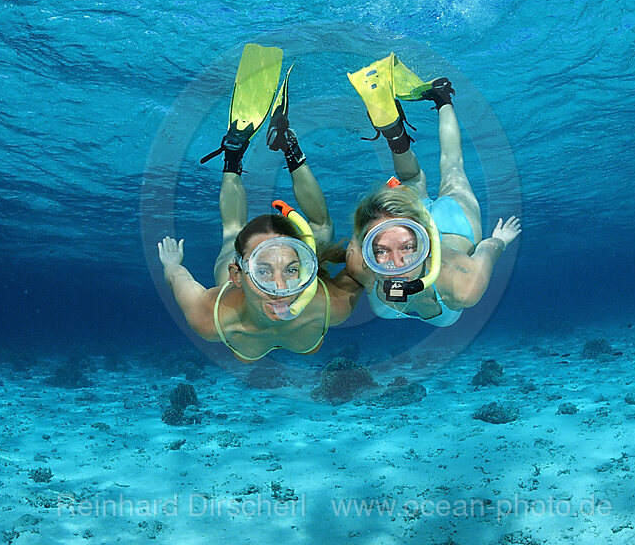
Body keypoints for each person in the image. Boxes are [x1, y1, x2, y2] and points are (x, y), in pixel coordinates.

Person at [158, 44, 360, 362]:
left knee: (234, 230)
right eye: (263, 271)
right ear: (238, 275)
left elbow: (374, 267)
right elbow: (176, 279)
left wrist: (172, 266)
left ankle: (234, 153)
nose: (280, 285)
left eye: (293, 269)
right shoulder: (211, 317)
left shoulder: (331, 305)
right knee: (319, 227)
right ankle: (286, 146)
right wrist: (172, 265)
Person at [344, 54, 520, 326]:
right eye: (380, 251)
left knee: (445, 169)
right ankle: (439, 100)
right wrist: (499, 241)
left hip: (449, 224)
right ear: (369, 253)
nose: (397, 264)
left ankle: (416, 118)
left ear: (425, 243)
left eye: (408, 249)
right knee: (448, 168)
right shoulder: (462, 287)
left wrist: (500, 241)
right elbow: (487, 248)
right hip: (450, 223)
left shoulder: (460, 286)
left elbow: (489, 248)